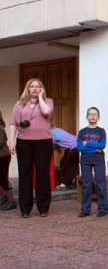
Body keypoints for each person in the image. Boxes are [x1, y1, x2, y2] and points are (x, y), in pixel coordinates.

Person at [9, 79, 53, 218]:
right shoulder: (19, 104)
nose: (34, 89)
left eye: (37, 87)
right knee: (25, 174)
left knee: (42, 173)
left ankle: (43, 207)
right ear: (28, 89)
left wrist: (40, 97)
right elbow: (13, 123)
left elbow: (46, 112)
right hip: (24, 142)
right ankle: (25, 208)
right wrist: (11, 141)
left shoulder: (48, 102)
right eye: (32, 87)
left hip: (43, 142)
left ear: (41, 89)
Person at [77, 107, 108, 218]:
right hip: (85, 160)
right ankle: (85, 209)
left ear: (98, 117)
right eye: (90, 114)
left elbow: (102, 145)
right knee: (86, 185)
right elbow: (80, 147)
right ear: (87, 117)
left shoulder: (101, 131)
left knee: (101, 184)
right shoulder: (82, 132)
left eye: (95, 114)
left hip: (98, 160)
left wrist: (87, 144)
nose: (92, 116)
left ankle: (103, 208)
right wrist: (94, 148)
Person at [51, 125, 79, 190]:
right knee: (70, 164)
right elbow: (60, 138)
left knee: (65, 165)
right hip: (78, 145)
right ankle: (71, 180)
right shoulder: (58, 129)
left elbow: (55, 140)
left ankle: (65, 183)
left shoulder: (52, 133)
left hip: (73, 148)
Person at [0, 111, 17, 211]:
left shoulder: (0, 128)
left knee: (3, 179)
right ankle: (3, 197)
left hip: (3, 157)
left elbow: (0, 142)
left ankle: (11, 201)